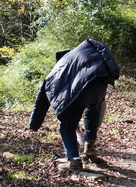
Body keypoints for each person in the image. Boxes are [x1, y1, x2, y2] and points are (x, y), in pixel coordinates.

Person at [28, 39, 120, 173]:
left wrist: (33, 125)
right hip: (101, 81)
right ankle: (90, 147)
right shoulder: (84, 53)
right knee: (91, 111)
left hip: (83, 86)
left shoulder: (60, 67)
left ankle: (74, 161)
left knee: (66, 126)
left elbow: (42, 97)